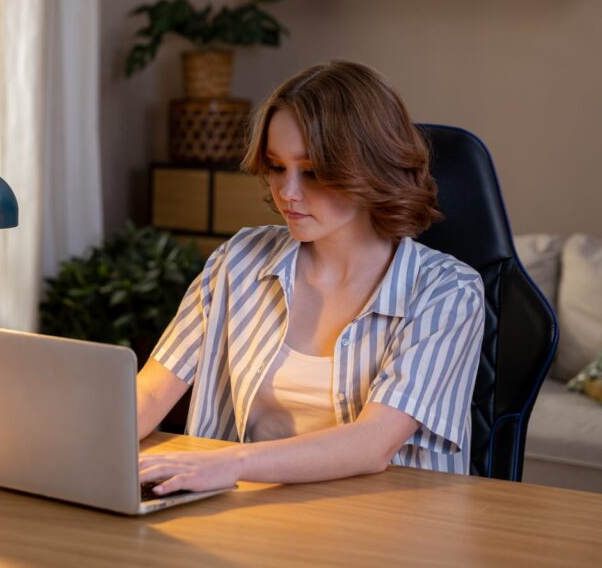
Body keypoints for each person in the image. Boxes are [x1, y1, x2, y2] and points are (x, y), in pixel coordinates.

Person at [136, 61, 485, 496]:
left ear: (370, 166)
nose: (288, 192)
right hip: (249, 512)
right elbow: (150, 393)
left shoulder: (448, 292)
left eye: (313, 171)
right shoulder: (238, 261)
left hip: (386, 525)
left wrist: (229, 463)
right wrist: (62, 446)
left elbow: (372, 443)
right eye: (277, 166)